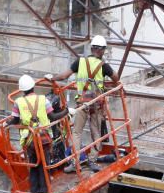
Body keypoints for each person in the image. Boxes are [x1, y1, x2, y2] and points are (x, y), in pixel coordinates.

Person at [47, 35, 120, 172]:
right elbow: (116, 78)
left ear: (92, 48)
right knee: (96, 132)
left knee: (77, 132)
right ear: (102, 51)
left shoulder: (80, 62)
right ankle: (92, 160)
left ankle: (75, 163)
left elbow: (63, 76)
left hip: (82, 103)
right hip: (96, 104)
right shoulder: (103, 66)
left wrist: (52, 78)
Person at [7, 74, 69, 193]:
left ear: (22, 89)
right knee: (43, 163)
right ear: (33, 87)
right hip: (43, 138)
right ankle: (44, 190)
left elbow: (14, 120)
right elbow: (53, 116)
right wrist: (66, 111)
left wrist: (6, 125)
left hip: (29, 139)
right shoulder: (43, 99)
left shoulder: (18, 102)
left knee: (33, 163)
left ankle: (34, 189)